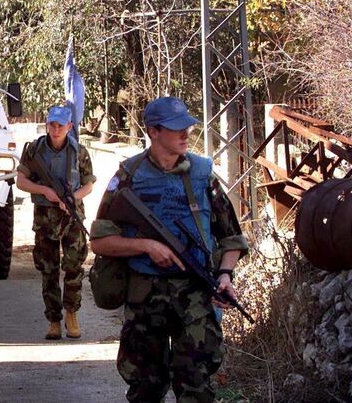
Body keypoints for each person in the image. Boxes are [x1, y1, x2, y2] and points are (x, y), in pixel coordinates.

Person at [89, 96, 250, 402]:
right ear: (153, 131)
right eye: (176, 129)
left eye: (187, 127)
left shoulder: (203, 175)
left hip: (195, 297)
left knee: (196, 386)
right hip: (145, 298)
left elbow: (231, 238)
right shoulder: (129, 176)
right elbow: (99, 241)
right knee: (146, 388)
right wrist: (146, 246)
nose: (185, 134)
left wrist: (226, 274)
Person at [16, 105, 95, 340]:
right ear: (47, 124)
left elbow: (88, 185)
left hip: (71, 216)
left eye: (61, 125)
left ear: (70, 126)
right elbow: (21, 181)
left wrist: (70, 199)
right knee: (48, 270)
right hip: (44, 218)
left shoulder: (79, 151)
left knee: (73, 268)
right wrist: (44, 190)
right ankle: (53, 320)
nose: (56, 129)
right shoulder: (34, 150)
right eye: (52, 124)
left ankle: (72, 313)